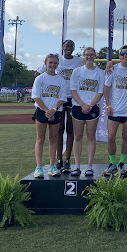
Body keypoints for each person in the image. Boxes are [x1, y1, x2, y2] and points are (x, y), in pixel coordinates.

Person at [103, 45, 127, 176]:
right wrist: (108, 105)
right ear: (119, 56)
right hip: (115, 109)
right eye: (122, 54)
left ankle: (122, 163)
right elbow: (106, 88)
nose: (125, 56)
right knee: (111, 137)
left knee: (125, 136)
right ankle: (112, 163)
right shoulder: (113, 69)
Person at [69, 47, 105, 176]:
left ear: (95, 56)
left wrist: (89, 105)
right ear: (83, 57)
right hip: (78, 106)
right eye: (86, 55)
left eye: (91, 55)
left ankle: (89, 166)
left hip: (92, 107)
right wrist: (82, 104)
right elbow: (73, 90)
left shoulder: (100, 73)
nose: (89, 57)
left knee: (91, 136)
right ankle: (77, 165)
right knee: (77, 136)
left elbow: (100, 92)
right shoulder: (77, 71)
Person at [31, 53, 67, 178]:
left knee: (54, 138)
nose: (52, 65)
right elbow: (36, 96)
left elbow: (62, 97)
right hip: (42, 111)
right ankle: (39, 167)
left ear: (58, 64)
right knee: (40, 139)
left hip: (56, 111)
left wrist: (54, 110)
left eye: (55, 63)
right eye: (50, 62)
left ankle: (52, 166)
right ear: (45, 63)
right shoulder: (40, 79)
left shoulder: (60, 80)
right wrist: (47, 110)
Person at [54, 40, 84, 172]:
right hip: (59, 98)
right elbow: (39, 73)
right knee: (59, 129)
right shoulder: (57, 60)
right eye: (66, 46)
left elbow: (89, 68)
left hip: (73, 98)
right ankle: (59, 159)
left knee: (71, 129)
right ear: (62, 47)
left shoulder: (78, 61)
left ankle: (67, 160)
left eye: (71, 46)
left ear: (74, 48)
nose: (69, 48)